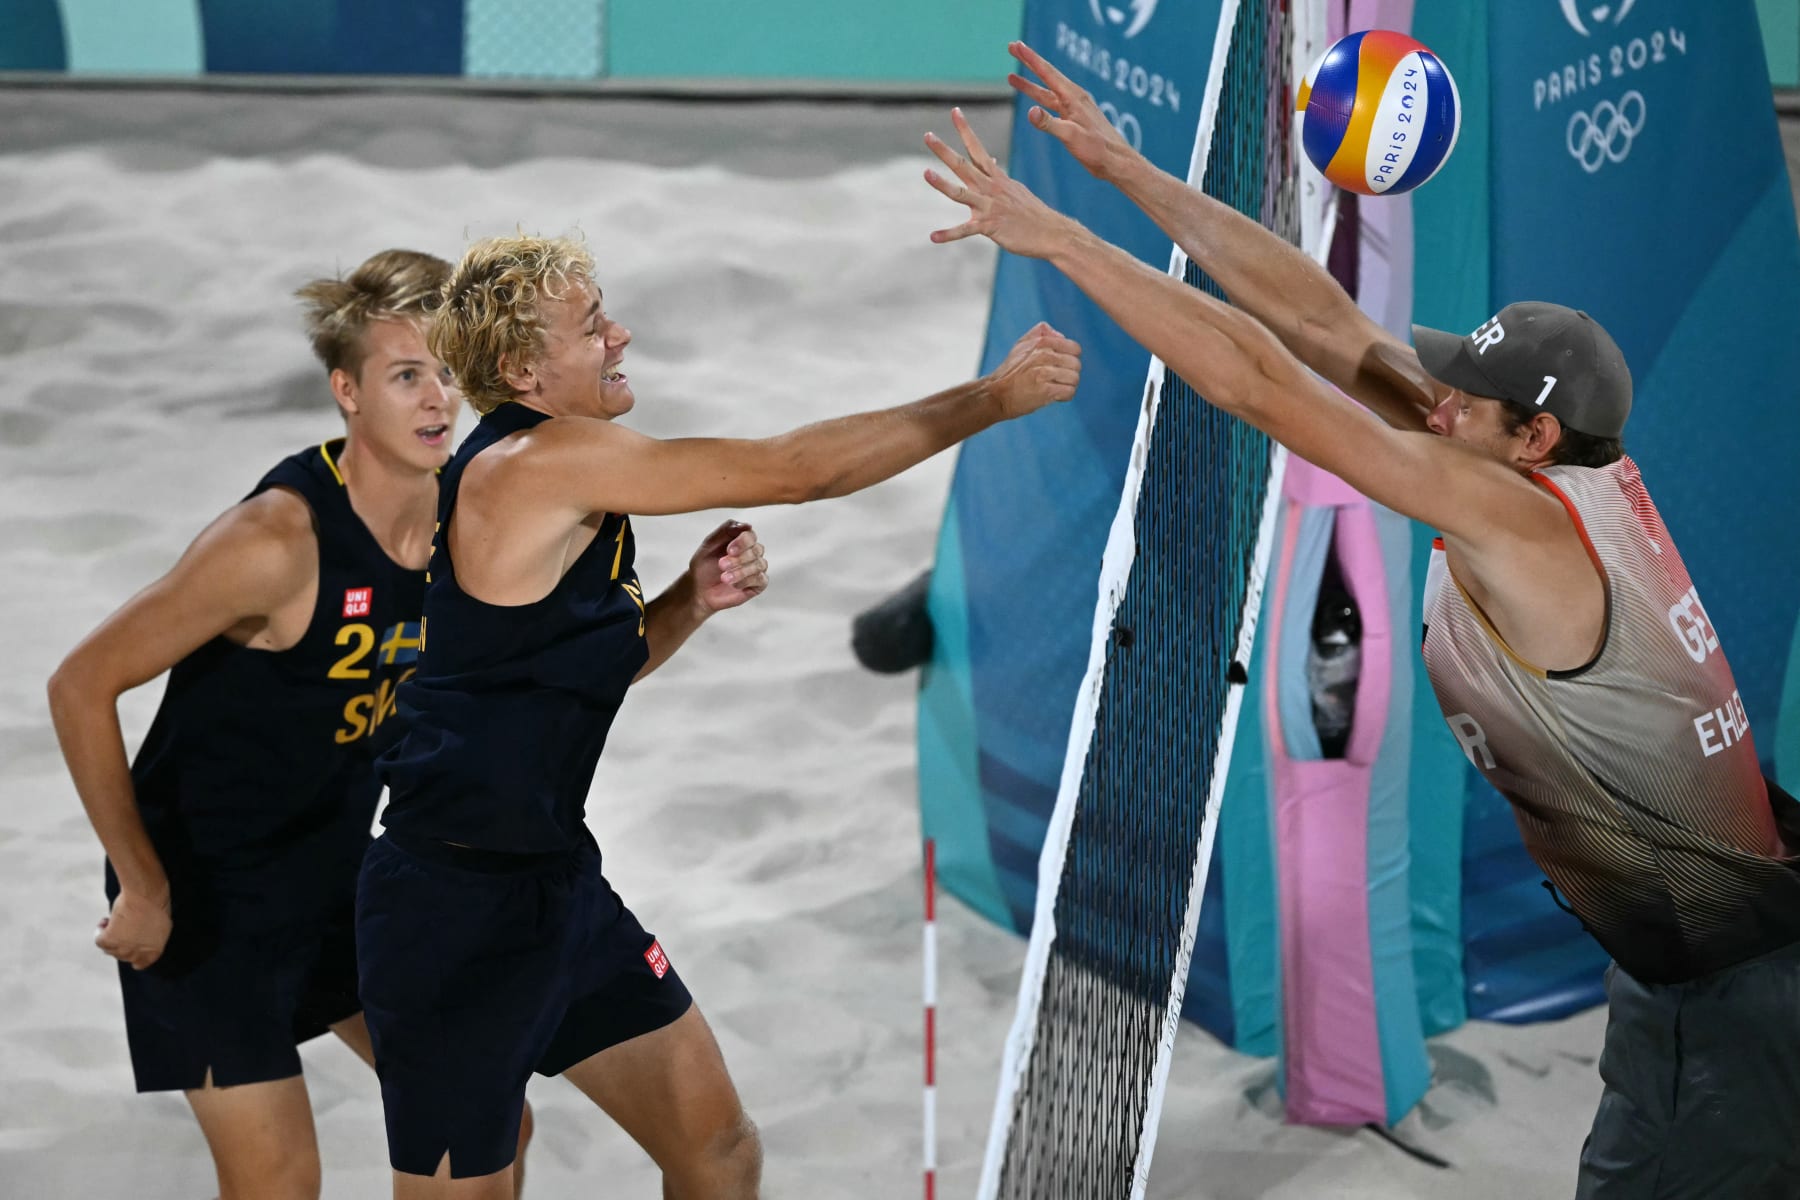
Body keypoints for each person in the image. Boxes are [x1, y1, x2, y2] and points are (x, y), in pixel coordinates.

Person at [918, 41, 1800, 1198]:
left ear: (1531, 442)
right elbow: (1321, 324)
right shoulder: (1545, 470)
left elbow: (1264, 386)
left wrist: (1066, 240)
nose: (1438, 399)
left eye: (1466, 401)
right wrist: (1125, 168)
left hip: (1721, 993)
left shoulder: (1516, 514)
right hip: (1745, 927)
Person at [353, 232, 1079, 1197]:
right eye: (590, 324)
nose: (620, 332)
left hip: (557, 888)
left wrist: (689, 602)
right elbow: (795, 471)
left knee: (719, 1149)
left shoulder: (569, 483)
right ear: (525, 370)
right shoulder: (537, 465)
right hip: (452, 915)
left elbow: (572, 677)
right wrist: (989, 400)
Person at [47, 249, 533, 1199]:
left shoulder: (460, 516)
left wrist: (685, 603)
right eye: (406, 375)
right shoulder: (276, 541)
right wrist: (142, 886)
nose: (438, 398)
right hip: (203, 899)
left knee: (492, 1123)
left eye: (446, 371)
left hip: (338, 877)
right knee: (277, 1182)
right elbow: (79, 684)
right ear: (346, 391)